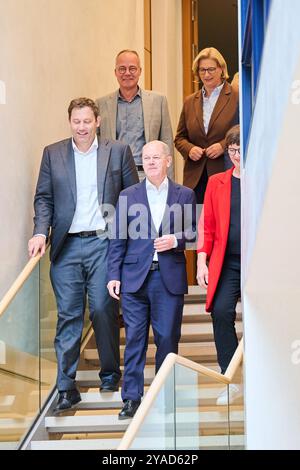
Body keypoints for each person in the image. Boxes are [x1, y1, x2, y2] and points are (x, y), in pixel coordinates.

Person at [28, 97, 139, 414]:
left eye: (86, 121)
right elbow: (44, 198)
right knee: (68, 315)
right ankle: (66, 387)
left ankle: (109, 373)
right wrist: (39, 231)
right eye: (76, 121)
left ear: (97, 121)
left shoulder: (117, 151)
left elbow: (133, 198)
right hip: (66, 246)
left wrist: (133, 243)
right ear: (70, 122)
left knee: (104, 309)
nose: (81, 127)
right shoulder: (53, 154)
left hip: (105, 244)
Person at [107, 140, 196, 419]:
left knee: (168, 338)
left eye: (156, 157)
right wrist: (113, 275)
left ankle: (163, 396)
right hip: (134, 278)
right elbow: (117, 238)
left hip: (168, 278)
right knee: (134, 339)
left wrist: (175, 240)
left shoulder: (185, 194)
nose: (151, 162)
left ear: (168, 160)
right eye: (146, 158)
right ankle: (131, 398)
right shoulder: (127, 195)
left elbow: (195, 232)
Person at [196, 124, 242, 405]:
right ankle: (231, 377)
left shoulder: (262, 178)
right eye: (232, 150)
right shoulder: (217, 182)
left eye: (240, 149)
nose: (236, 155)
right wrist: (202, 261)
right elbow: (208, 226)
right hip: (227, 262)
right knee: (221, 312)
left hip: (257, 263)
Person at [96, 49, 174, 181]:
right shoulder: (101, 104)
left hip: (147, 175)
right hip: (113, 176)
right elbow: (95, 144)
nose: (127, 73)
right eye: (122, 69)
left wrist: (169, 182)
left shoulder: (158, 101)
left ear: (140, 71)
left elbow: (167, 142)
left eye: (132, 68)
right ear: (115, 72)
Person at [174, 47, 239, 204]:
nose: (206, 74)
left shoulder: (236, 97)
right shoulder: (190, 101)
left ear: (222, 70)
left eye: (211, 69)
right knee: (196, 224)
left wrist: (223, 146)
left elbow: (243, 131)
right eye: (202, 70)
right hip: (195, 178)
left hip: (224, 171)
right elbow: (180, 138)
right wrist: (190, 149)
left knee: (222, 223)